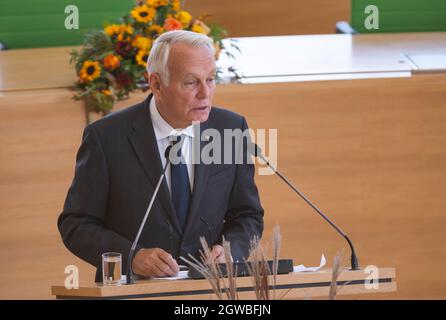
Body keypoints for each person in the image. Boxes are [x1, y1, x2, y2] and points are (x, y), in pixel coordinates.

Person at [58, 30, 264, 282]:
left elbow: (247, 215)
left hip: (210, 290)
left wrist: (232, 251)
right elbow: (76, 224)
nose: (205, 93)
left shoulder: (230, 128)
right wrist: (131, 257)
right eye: (191, 82)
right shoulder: (106, 137)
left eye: (210, 79)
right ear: (156, 84)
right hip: (133, 292)